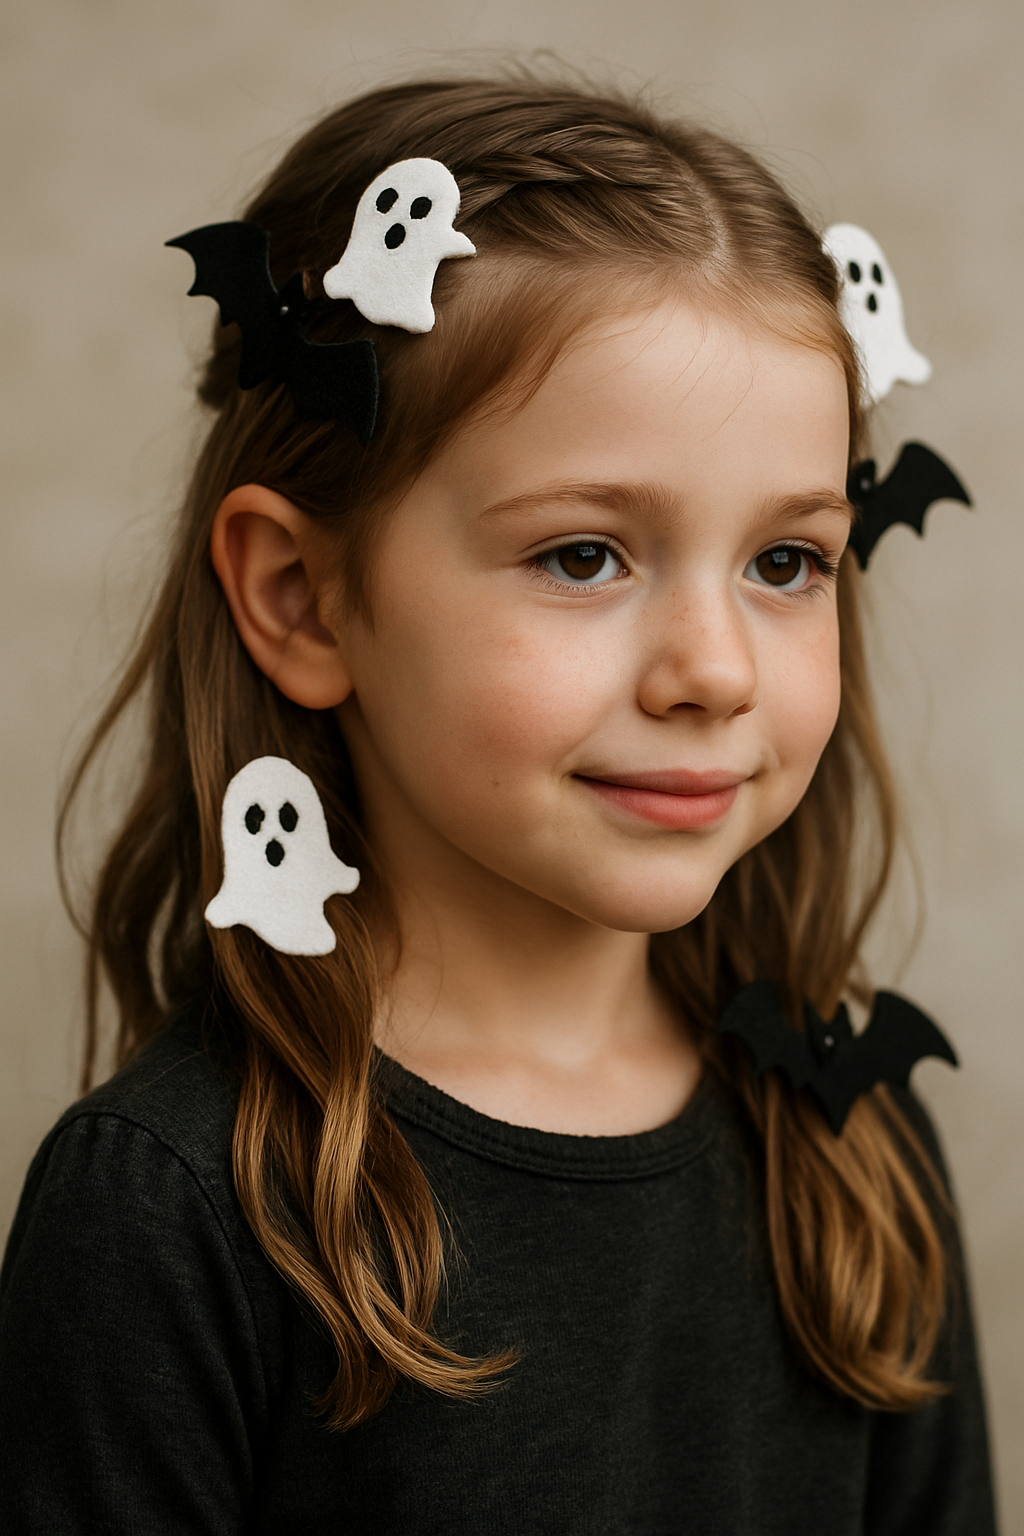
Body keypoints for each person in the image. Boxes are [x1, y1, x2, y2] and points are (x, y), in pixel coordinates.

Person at [0, 76, 998, 1533]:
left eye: (787, 564)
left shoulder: (849, 1144)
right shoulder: (169, 1206)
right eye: (583, 556)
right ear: (302, 598)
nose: (716, 671)